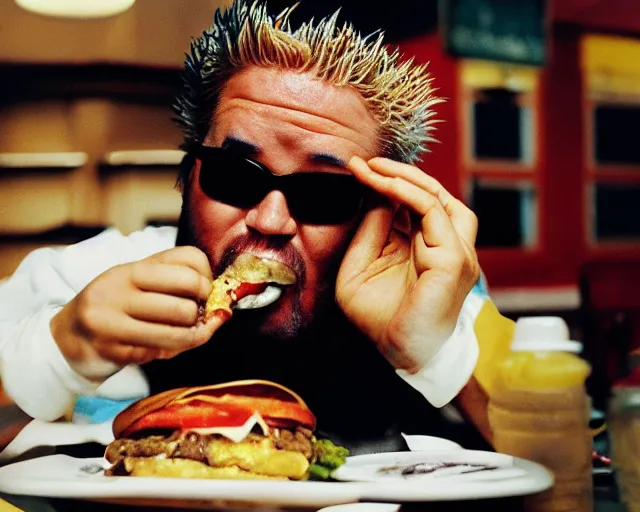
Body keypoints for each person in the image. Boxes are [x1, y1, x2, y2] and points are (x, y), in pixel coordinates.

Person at [0, 0, 507, 454]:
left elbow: (564, 464)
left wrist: (437, 354)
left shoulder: (427, 298)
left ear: (380, 214)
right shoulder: (90, 277)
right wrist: (57, 351)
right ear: (187, 175)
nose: (269, 220)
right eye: (236, 176)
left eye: (321, 193)